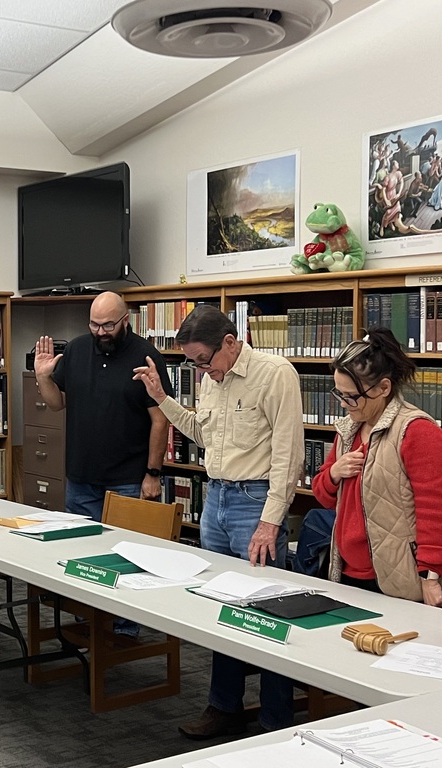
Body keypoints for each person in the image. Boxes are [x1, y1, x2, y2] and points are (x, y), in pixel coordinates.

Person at [134, 304, 304, 738]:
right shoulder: (211, 378)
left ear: (230, 342)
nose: (202, 370)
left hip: (255, 501)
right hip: (217, 500)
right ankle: (224, 706)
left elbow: (288, 455)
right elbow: (203, 433)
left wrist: (270, 522)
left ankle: (275, 719)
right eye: (193, 362)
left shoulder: (275, 374)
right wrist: (162, 399)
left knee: (267, 613)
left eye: (204, 360)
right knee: (222, 606)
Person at [312, 328, 442, 603]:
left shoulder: (417, 431)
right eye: (339, 394)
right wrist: (334, 473)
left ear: (383, 388)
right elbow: (322, 495)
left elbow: (438, 511)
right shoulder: (349, 429)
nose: (345, 405)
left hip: (399, 578)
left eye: (352, 397)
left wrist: (430, 575)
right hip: (346, 572)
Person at [33, 291, 172, 521]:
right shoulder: (75, 350)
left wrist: (153, 473)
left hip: (128, 481)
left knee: (123, 551)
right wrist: (43, 378)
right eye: (94, 325)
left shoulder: (146, 357)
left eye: (108, 326)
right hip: (80, 481)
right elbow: (57, 404)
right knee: (80, 551)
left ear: (125, 320)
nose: (100, 332)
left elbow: (160, 420)